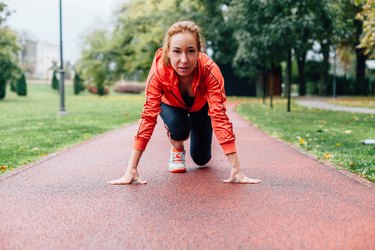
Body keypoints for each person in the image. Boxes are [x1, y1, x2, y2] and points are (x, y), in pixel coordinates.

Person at [108, 19, 261, 185]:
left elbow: (219, 116)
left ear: (199, 52)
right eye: (176, 51)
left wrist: (236, 168)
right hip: (171, 105)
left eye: (190, 51)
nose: (184, 60)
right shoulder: (159, 73)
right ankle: (177, 147)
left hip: (200, 107)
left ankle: (196, 138)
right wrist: (131, 168)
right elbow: (148, 117)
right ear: (167, 52)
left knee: (202, 159)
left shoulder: (210, 71)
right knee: (179, 128)